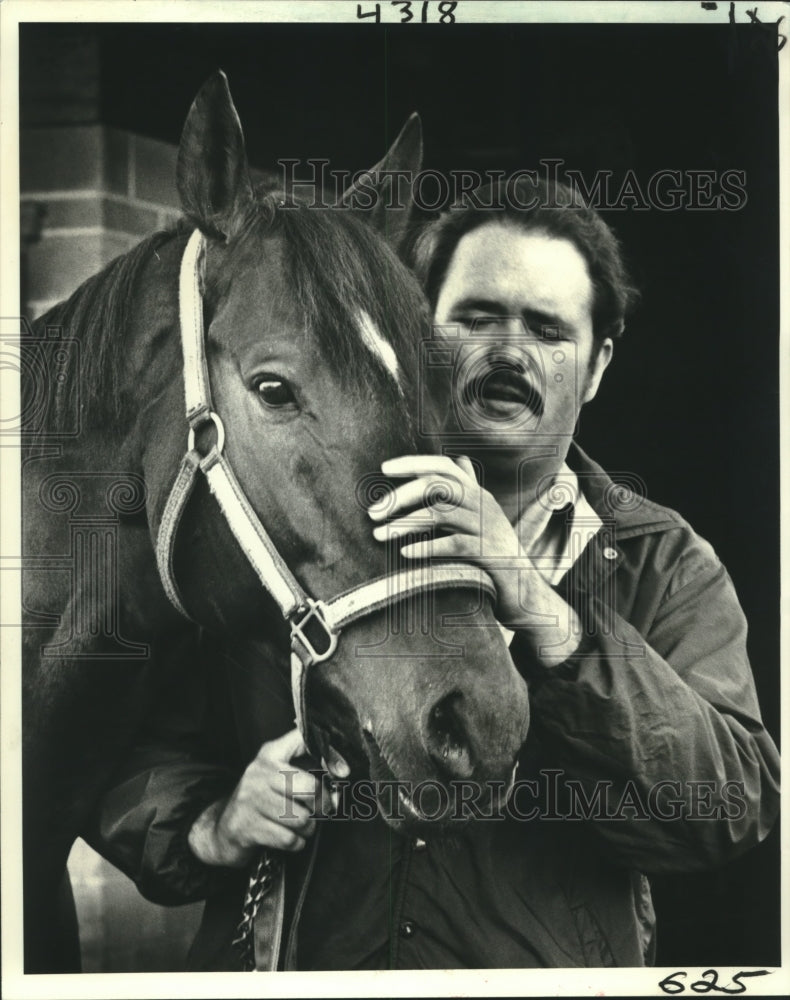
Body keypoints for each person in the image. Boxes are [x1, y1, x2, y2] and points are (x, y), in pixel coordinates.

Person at [84, 176, 780, 970]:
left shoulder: (664, 562)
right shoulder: (287, 507)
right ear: (415, 331)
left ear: (595, 367)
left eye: (549, 329)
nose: (509, 351)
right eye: (477, 317)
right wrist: (211, 823)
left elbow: (728, 807)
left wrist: (538, 607)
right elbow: (111, 733)